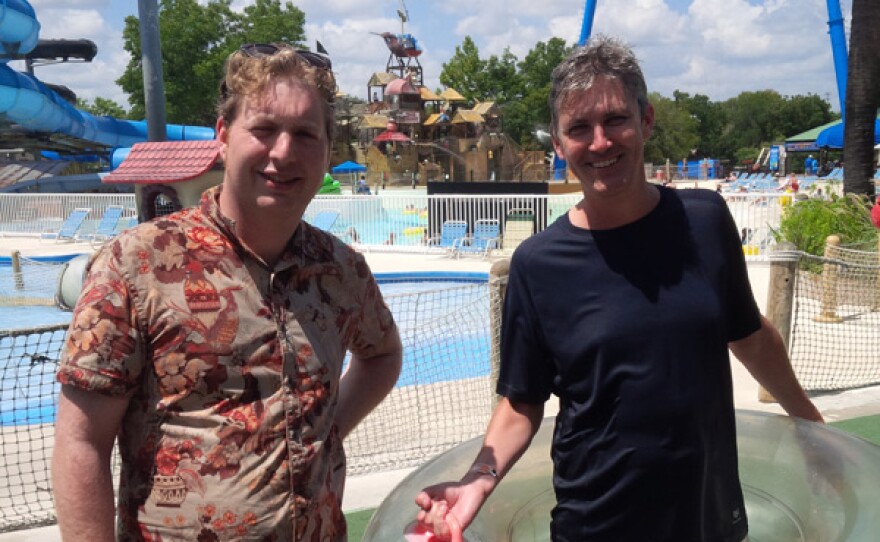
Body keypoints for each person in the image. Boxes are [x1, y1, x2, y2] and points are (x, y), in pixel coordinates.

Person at [415, 35, 822, 542]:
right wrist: (479, 480)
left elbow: (751, 337)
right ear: (559, 146)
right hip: (598, 520)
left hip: (708, 514)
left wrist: (814, 433)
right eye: (579, 128)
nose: (601, 142)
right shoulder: (537, 265)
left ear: (645, 120)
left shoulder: (705, 220)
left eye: (615, 120)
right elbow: (522, 400)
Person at [52, 43, 403, 541]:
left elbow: (383, 353)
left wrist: (320, 437)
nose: (283, 152)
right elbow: (81, 443)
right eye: (264, 129)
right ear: (223, 136)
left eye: (305, 134)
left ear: (326, 150)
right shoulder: (136, 265)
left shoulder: (340, 270)